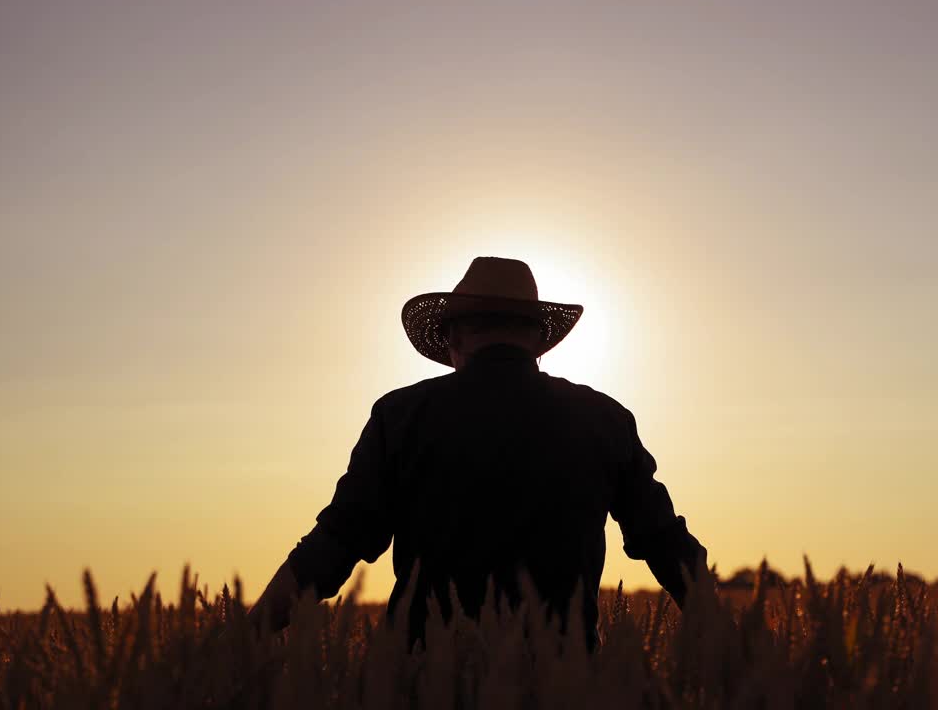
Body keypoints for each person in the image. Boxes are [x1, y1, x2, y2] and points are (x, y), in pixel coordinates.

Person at [248, 256, 708, 648]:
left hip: (422, 679)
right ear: (537, 341)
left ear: (454, 337)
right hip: (561, 682)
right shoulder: (605, 418)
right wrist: (737, 645)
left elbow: (338, 541)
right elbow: (664, 541)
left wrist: (243, 637)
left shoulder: (401, 415)